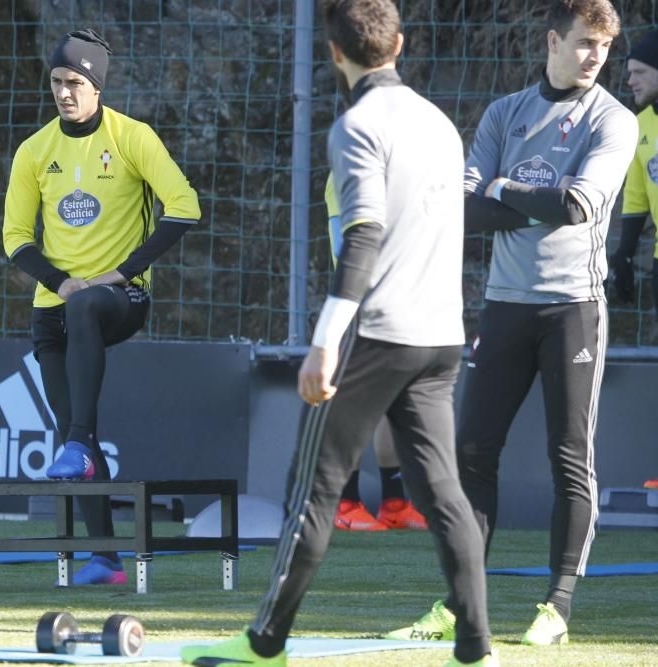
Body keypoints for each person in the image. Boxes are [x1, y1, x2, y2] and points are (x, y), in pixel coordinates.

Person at [182, 1, 494, 665]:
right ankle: (476, 648)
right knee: (444, 496)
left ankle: (265, 643)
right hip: (441, 333)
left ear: (332, 53)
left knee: (312, 492)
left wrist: (326, 337)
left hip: (380, 332)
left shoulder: (357, 125)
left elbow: (363, 234)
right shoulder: (440, 123)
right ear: (400, 44)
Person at [387, 0, 636, 647]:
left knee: (570, 456)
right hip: (505, 305)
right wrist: (512, 200)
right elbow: (465, 210)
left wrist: (502, 191)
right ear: (553, 40)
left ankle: (556, 603)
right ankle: (457, 600)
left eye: (603, 49)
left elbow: (578, 204)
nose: (593, 58)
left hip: (574, 308)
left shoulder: (613, 120)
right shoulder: (505, 113)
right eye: (583, 44)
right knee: (471, 449)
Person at [2, 29, 201, 586]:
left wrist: (123, 272)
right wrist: (60, 283)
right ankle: (106, 558)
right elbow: (15, 237)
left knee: (88, 314)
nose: (64, 92)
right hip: (55, 306)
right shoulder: (35, 151)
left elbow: (185, 206)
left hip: (121, 298)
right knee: (73, 432)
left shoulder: (132, 137)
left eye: (75, 82)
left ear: (96, 86)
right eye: (57, 82)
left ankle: (80, 442)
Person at [325, 174, 428, 532]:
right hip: (360, 306)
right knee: (354, 403)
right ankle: (345, 502)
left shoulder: (403, 171)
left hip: (399, 303)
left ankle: (395, 502)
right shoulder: (349, 169)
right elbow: (349, 247)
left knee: (394, 401)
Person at [612, 28, 658, 491]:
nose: (631, 81)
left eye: (640, 72)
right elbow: (637, 197)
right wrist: (624, 256)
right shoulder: (641, 125)